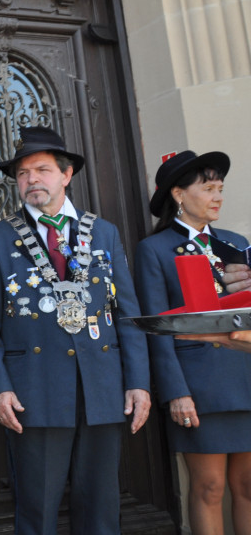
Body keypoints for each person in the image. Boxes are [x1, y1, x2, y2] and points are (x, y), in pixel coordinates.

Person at [0, 126, 151, 535]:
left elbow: (127, 313)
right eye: (22, 173)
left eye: (42, 169)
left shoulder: (103, 232)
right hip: (33, 391)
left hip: (102, 388)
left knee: (102, 511)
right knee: (36, 511)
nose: (32, 179)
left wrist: (138, 382)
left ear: (66, 175)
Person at [133, 150, 251, 535]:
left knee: (248, 487)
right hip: (198, 386)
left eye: (220, 188)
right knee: (209, 488)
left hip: (245, 378)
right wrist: (175, 392)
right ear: (179, 194)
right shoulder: (154, 249)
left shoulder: (237, 243)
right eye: (208, 188)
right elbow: (157, 328)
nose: (218, 196)